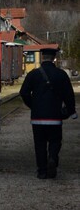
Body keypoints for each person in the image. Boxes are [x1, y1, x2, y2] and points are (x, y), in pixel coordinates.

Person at [20, 47, 76, 179]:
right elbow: (69, 95)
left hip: (38, 117)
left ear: (42, 57)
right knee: (55, 140)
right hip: (55, 116)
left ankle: (42, 171)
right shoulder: (61, 74)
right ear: (54, 58)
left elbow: (23, 93)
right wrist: (71, 111)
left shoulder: (33, 74)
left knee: (39, 144)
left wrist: (33, 105)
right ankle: (52, 158)